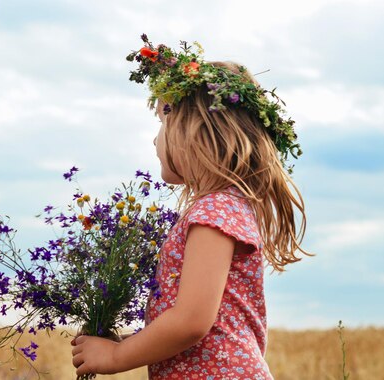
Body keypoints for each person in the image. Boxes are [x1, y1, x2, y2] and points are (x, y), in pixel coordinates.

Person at [70, 34, 314, 379]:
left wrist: (116, 357)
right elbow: (195, 330)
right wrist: (120, 343)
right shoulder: (224, 208)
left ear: (196, 132)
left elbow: (190, 323)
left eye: (163, 122)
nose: (156, 139)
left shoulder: (213, 212)